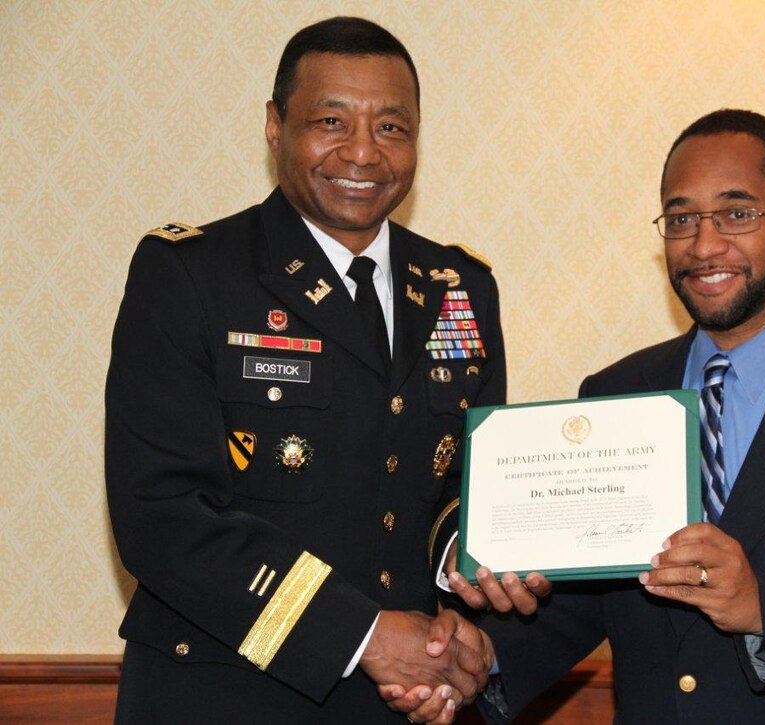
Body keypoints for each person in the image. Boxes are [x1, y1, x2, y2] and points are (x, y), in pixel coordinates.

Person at [387, 109, 765, 723]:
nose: (704, 244)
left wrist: (761, 605)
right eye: (681, 219)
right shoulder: (615, 394)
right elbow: (594, 598)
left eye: (737, 213)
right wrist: (484, 656)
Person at [105, 16, 503, 722]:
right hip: (223, 694)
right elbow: (160, 515)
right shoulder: (192, 276)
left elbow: (463, 480)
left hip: (406, 698)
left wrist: (466, 578)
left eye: (392, 127)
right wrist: (361, 632)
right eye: (330, 120)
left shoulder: (457, 287)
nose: (362, 152)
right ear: (273, 126)